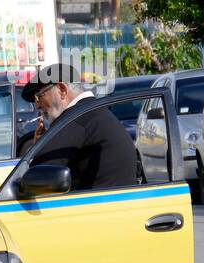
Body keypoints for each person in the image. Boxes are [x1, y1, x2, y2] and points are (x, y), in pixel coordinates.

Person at [22, 63, 139, 192]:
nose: (37, 105)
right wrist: (43, 143)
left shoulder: (73, 120)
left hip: (100, 207)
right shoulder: (91, 112)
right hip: (115, 203)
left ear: (62, 90)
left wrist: (42, 148)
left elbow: (36, 177)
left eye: (39, 96)